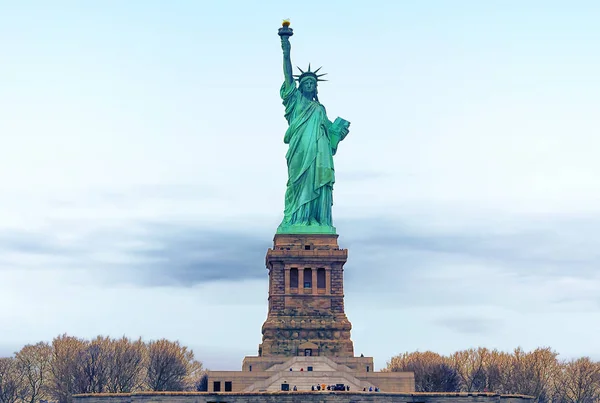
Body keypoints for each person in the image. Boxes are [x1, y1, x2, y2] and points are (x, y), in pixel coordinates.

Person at [277, 29, 350, 233]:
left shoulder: (320, 109)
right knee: (297, 183)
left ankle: (315, 220)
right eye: (306, 82)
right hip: (300, 151)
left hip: (319, 154)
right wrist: (286, 48)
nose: (309, 84)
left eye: (312, 83)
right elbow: (288, 75)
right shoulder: (295, 101)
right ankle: (296, 219)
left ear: (316, 87)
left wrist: (338, 132)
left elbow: (331, 134)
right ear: (300, 86)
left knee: (317, 182)